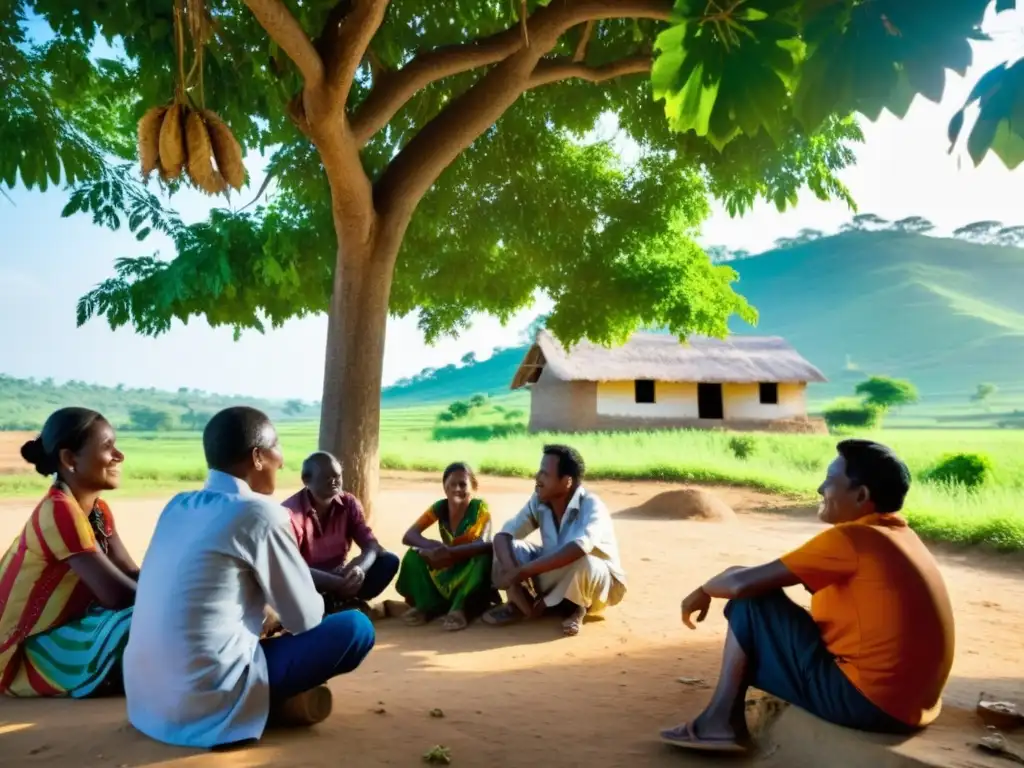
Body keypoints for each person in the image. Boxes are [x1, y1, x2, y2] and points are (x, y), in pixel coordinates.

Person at [661, 439, 955, 754]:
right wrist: (728, 580)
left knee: (750, 604)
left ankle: (718, 723)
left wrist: (705, 590)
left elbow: (741, 587)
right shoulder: (896, 536)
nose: (820, 489)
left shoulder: (851, 539)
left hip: (867, 705)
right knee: (757, 596)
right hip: (911, 706)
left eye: (829, 481)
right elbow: (750, 576)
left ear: (861, 495)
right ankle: (721, 721)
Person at [123, 407, 375, 749]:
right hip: (207, 701)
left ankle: (270, 700)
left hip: (145, 701)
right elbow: (305, 619)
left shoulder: (177, 505)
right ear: (257, 457)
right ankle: (263, 706)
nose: (282, 461)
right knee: (356, 629)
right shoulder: (260, 512)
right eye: (277, 449)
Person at [0, 407, 137, 698]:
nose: (119, 456)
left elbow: (129, 572)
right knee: (136, 620)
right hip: (21, 651)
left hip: (62, 628)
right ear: (69, 459)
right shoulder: (59, 510)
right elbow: (117, 595)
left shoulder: (96, 511)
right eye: (107, 447)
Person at [483, 444, 626, 637]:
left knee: (587, 562)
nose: (538, 478)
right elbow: (503, 536)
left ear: (567, 481)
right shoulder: (539, 500)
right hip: (555, 572)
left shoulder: (591, 505)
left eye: (545, 474)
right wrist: (514, 578)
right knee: (510, 548)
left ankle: (574, 607)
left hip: (597, 582)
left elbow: (578, 548)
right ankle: (524, 603)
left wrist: (522, 571)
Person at [281, 452, 399, 614]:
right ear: (306, 480)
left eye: (337, 476)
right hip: (309, 579)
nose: (334, 481)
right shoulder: (289, 514)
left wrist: (359, 569)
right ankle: (336, 602)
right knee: (292, 584)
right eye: (326, 477)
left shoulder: (348, 503)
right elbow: (290, 567)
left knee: (388, 561)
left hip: (342, 574)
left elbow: (371, 545)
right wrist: (336, 583)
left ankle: (337, 602)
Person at [396, 462, 496, 631]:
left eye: (463, 484)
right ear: (444, 488)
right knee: (413, 555)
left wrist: (449, 552)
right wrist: (432, 548)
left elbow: (483, 544)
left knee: (483, 558)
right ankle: (428, 606)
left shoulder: (480, 507)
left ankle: (460, 609)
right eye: (452, 485)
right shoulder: (439, 507)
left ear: (474, 487)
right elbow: (409, 536)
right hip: (448, 565)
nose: (457, 489)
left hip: (470, 571)